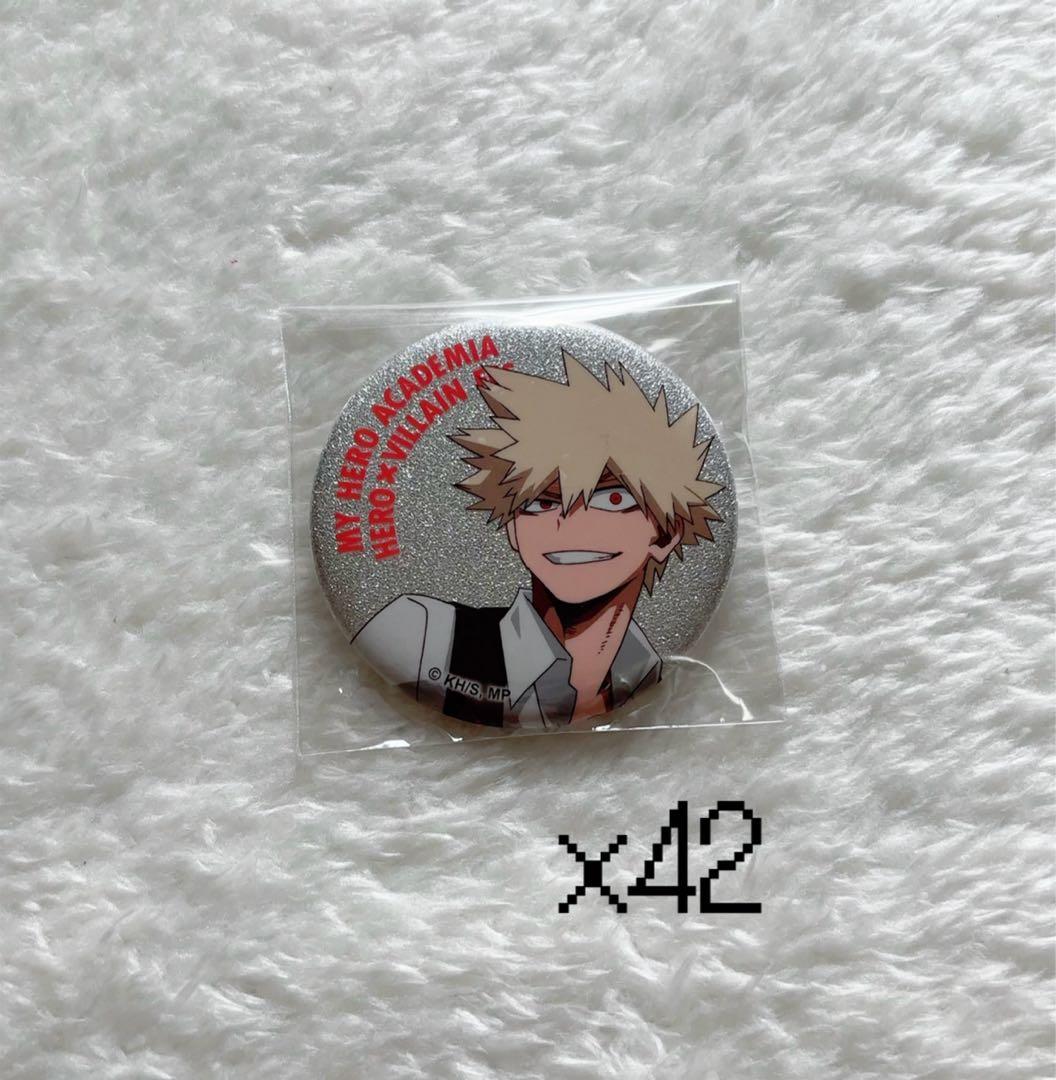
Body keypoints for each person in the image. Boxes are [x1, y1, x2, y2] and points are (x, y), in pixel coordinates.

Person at [354, 349, 724, 728]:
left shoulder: (656, 670)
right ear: (513, 530)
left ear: (666, 534)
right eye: (541, 503)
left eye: (613, 499)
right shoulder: (424, 636)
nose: (569, 525)